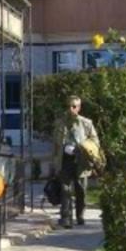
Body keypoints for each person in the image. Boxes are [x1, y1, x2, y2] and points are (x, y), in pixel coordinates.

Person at [52, 95, 102, 228]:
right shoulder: (60, 123)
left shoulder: (86, 123)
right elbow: (55, 144)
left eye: (74, 106)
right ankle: (66, 217)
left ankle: (80, 215)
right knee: (65, 188)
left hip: (81, 160)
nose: (71, 109)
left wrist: (82, 147)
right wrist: (61, 152)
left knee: (81, 190)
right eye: (69, 106)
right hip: (65, 160)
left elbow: (95, 141)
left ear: (79, 108)